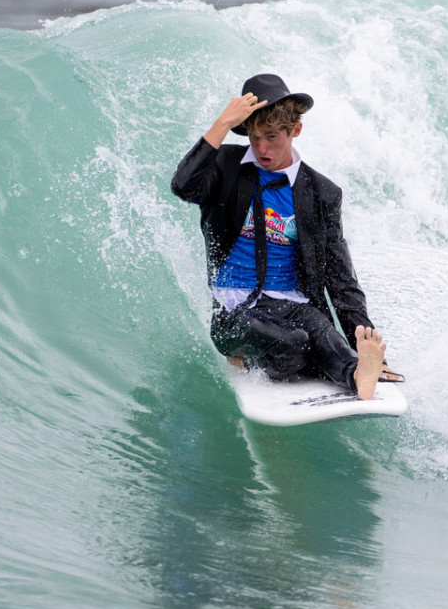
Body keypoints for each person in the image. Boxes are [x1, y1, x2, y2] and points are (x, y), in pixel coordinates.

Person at [171, 73, 399, 401]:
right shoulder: (226, 167)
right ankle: (290, 359)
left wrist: (363, 335)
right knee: (293, 342)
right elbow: (183, 185)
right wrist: (222, 124)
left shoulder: (321, 193)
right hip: (235, 310)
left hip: (292, 303)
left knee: (321, 332)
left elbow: (341, 281)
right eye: (254, 137)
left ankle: (358, 372)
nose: (262, 148)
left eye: (272, 137)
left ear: (295, 130)